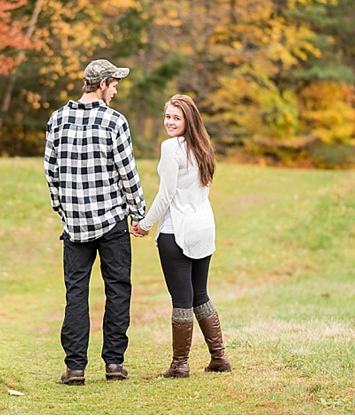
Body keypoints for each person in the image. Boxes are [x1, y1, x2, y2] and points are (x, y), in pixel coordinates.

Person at [44, 59, 147, 386]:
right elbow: (127, 173)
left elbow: (51, 172)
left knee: (76, 292)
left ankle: (75, 368)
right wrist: (139, 212)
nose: (115, 89)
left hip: (74, 225)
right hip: (112, 220)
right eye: (114, 83)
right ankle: (114, 363)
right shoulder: (114, 121)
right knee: (118, 289)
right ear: (101, 83)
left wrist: (63, 208)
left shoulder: (57, 119)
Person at [132, 94, 231, 378]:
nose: (170, 122)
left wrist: (146, 223)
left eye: (176, 117)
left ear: (188, 120)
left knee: (182, 298)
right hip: (204, 227)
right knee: (200, 294)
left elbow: (166, 194)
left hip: (177, 232)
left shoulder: (171, 147)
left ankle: (180, 364)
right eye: (167, 117)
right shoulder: (203, 146)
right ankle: (219, 357)